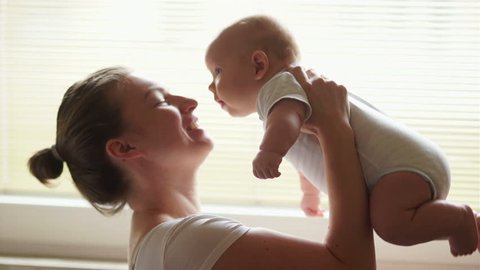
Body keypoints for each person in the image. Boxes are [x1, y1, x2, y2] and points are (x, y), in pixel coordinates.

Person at [28, 66, 375, 269]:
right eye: (160, 101)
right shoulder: (182, 242)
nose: (190, 102)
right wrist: (335, 127)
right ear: (125, 148)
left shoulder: (163, 244)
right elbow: (350, 266)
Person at [204, 15, 480, 256]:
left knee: (391, 224)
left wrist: (269, 152)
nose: (210, 86)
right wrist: (309, 192)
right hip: (409, 165)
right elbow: (307, 148)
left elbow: (286, 124)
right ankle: (470, 223)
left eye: (217, 71)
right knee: (401, 220)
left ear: (258, 65)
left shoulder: (278, 88)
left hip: (400, 171)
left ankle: (460, 219)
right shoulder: (294, 91)